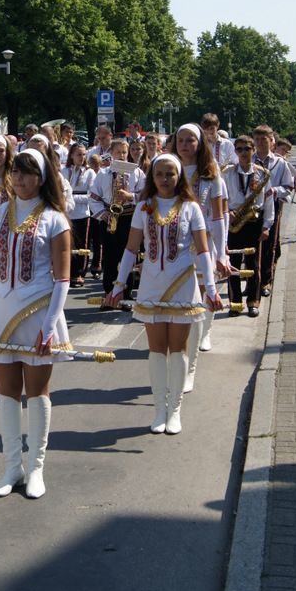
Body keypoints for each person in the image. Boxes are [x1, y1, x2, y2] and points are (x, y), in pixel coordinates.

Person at [0, 148, 71, 498]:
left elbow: (62, 279)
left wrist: (49, 326)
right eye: (16, 172)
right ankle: (11, 466)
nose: (21, 179)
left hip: (39, 313)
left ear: (42, 178)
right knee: (7, 392)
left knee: (37, 392)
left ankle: (36, 468)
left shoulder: (55, 219)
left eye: (29, 173)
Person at [106, 154, 222, 434]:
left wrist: (210, 287)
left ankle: (175, 409)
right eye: (159, 174)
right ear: (152, 177)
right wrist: (119, 284)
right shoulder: (144, 207)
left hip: (182, 283)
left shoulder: (191, 208)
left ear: (179, 176)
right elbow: (131, 248)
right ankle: (160, 409)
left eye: (170, 174)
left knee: (178, 349)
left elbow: (203, 250)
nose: (165, 179)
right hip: (151, 285)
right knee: (157, 350)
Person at [173, 123, 229, 389]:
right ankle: (181, 361)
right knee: (182, 308)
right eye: (180, 140)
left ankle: (191, 365)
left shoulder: (211, 174)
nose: (185, 145)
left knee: (202, 301)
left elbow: (219, 217)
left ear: (199, 144)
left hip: (204, 244)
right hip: (175, 247)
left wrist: (223, 251)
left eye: (190, 140)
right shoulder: (168, 170)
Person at [89, 139, 145, 306]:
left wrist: (131, 197)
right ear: (111, 153)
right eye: (118, 152)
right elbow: (93, 196)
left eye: (124, 152)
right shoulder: (103, 173)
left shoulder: (137, 172)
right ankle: (109, 294)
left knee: (128, 255)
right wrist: (102, 213)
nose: (121, 155)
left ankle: (126, 294)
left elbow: (145, 194)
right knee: (110, 256)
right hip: (109, 216)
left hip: (129, 216)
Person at [222, 137, 274, 318]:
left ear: (253, 150)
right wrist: (226, 212)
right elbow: (220, 198)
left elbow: (268, 202)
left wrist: (267, 226)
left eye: (247, 149)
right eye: (240, 149)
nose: (243, 153)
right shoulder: (227, 173)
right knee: (233, 265)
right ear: (235, 152)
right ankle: (235, 304)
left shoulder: (262, 173)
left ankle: (253, 301)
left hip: (254, 223)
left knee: (254, 264)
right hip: (233, 221)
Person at [252, 125, 294, 294]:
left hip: (272, 205)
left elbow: (289, 186)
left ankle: (266, 281)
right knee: (252, 244)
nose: (261, 143)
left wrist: (275, 190)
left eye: (264, 140)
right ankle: (253, 280)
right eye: (257, 139)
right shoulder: (249, 160)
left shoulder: (279, 162)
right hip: (252, 207)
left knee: (269, 244)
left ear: (271, 142)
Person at [62, 143, 95, 286]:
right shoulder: (64, 171)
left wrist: (72, 198)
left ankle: (80, 273)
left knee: (82, 244)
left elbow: (91, 195)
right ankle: (68, 272)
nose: (82, 157)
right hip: (67, 214)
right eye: (78, 154)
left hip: (82, 213)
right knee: (67, 244)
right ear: (71, 156)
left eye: (83, 154)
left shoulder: (89, 173)